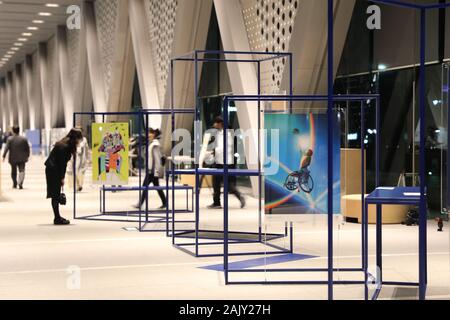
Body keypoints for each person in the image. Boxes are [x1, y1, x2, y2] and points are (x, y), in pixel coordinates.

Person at [45, 128, 83, 225]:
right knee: (55, 194)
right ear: (75, 138)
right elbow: (62, 164)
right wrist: (62, 178)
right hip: (53, 171)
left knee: (55, 194)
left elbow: (62, 164)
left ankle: (57, 217)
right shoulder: (64, 146)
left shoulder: (65, 144)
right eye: (79, 139)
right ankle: (57, 218)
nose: (79, 142)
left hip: (53, 169)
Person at [208, 117, 245, 210]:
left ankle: (219, 202)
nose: (214, 125)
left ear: (220, 123)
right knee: (222, 183)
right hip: (223, 161)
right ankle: (218, 202)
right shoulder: (223, 133)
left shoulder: (225, 134)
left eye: (215, 123)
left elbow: (222, 148)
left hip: (223, 162)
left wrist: (213, 152)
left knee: (221, 183)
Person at [134, 128, 167, 210]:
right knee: (156, 186)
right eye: (147, 133)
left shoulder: (155, 144)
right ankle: (165, 202)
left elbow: (157, 159)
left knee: (145, 186)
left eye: (150, 133)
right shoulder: (151, 143)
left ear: (154, 134)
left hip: (152, 171)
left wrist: (156, 171)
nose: (148, 135)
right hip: (152, 170)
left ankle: (140, 203)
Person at [67, 128, 90, 192]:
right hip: (74, 158)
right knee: (74, 172)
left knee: (81, 173)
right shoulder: (73, 139)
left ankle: (79, 185)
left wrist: (88, 158)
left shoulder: (84, 139)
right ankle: (77, 185)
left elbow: (86, 149)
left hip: (82, 158)